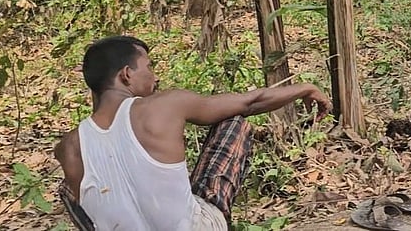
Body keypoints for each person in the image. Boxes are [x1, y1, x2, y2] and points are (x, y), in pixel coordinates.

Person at [54, 35, 330, 231]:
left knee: (70, 190)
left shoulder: (68, 147)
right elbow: (250, 102)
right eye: (149, 67)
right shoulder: (163, 105)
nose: (154, 76)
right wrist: (305, 88)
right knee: (232, 121)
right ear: (127, 74)